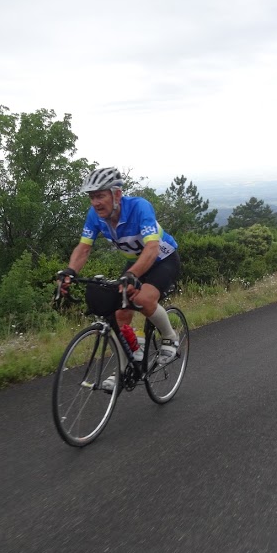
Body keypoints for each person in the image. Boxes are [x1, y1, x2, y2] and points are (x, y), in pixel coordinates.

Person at [59, 166, 181, 388]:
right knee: (120, 310)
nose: (95, 202)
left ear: (116, 194)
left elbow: (152, 248)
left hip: (163, 259)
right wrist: (70, 272)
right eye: (92, 197)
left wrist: (132, 274)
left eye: (100, 196)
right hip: (136, 261)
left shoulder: (139, 207)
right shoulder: (95, 216)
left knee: (143, 300)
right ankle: (126, 368)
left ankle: (170, 337)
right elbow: (84, 248)